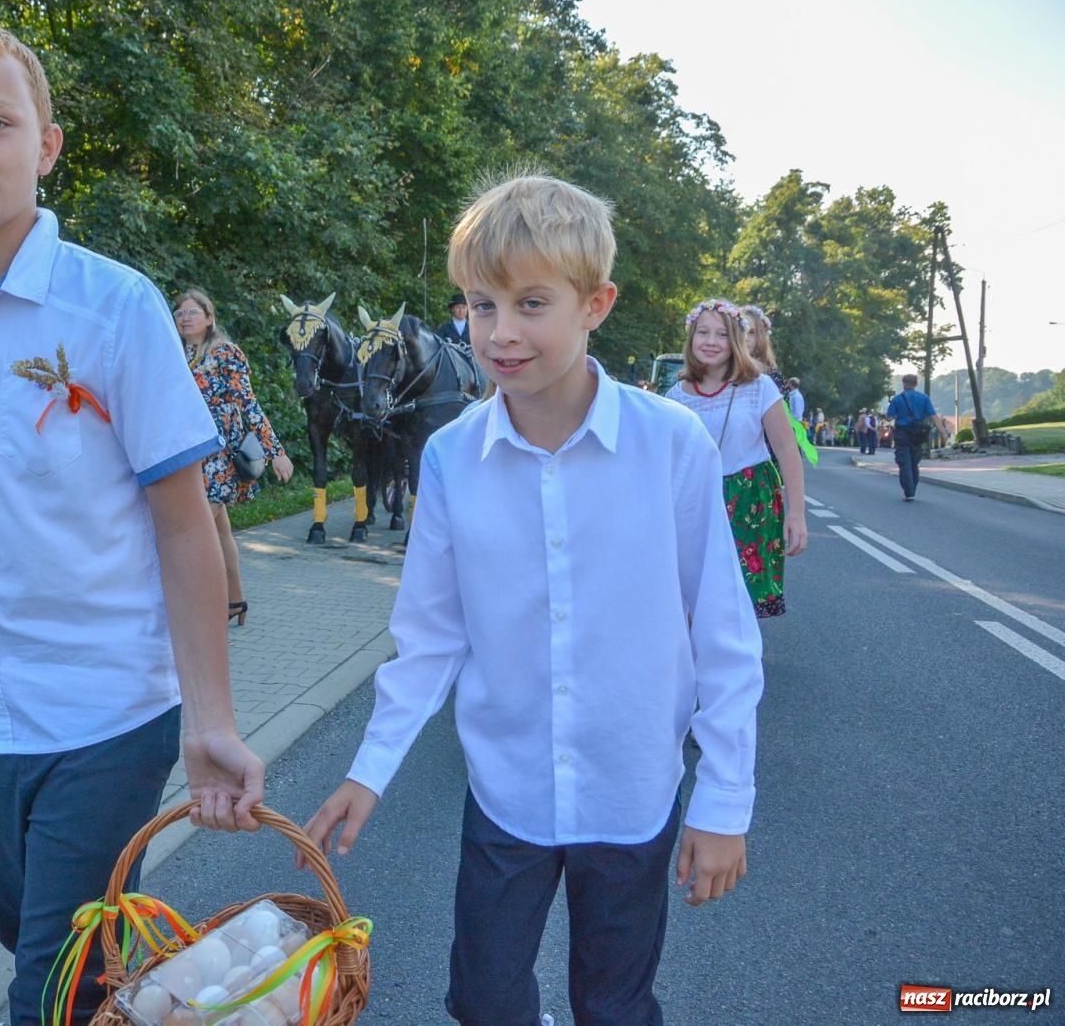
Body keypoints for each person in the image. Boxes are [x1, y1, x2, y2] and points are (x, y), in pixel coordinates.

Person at [302, 174, 765, 1026]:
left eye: (531, 304)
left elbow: (723, 632)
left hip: (632, 790)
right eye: (481, 305)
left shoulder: (671, 443)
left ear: (597, 304)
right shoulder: (450, 459)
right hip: (507, 790)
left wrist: (724, 800)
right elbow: (431, 636)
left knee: (615, 1004)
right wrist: (369, 772)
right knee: (481, 998)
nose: (501, 334)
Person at [0, 18, 264, 1025]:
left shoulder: (116, 309)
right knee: (34, 936)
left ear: (45, 145)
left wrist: (209, 718)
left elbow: (185, 526)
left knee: (43, 986)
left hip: (107, 716)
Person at [667, 300, 809, 618]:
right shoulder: (675, 397)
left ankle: (736, 664)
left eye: (721, 334)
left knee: (739, 600)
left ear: (735, 341)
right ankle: (694, 663)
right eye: (703, 332)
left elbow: (787, 449)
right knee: (692, 593)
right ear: (691, 339)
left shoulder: (758, 388)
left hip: (750, 500)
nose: (711, 341)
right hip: (695, 501)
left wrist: (796, 514)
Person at [173, 288, 294, 626]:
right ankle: (235, 600)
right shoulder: (178, 353)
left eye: (192, 311)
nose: (184, 317)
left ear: (209, 319)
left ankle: (193, 608)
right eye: (179, 312)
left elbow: (248, 403)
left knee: (191, 530)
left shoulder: (226, 353)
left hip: (220, 453)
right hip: (189, 452)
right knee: (221, 530)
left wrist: (276, 452)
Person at [886, 373, 938, 501]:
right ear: (916, 384)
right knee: (914, 462)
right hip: (918, 433)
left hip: (902, 432)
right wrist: (942, 431)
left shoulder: (897, 399)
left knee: (904, 462)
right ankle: (912, 487)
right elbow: (933, 416)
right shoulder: (924, 398)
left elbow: (889, 417)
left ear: (904, 383)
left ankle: (908, 491)